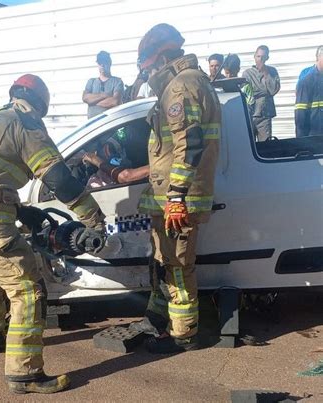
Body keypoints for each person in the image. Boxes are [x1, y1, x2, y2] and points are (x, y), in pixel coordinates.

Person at [0, 74, 105, 394]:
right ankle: (25, 373)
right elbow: (59, 178)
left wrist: (21, 211)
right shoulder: (27, 123)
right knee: (28, 290)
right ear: (41, 102)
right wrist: (93, 218)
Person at [133, 23, 221, 354]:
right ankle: (158, 321)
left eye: (149, 66)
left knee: (179, 268)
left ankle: (183, 335)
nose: (148, 73)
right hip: (173, 196)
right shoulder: (186, 83)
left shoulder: (181, 87)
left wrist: (175, 198)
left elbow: (190, 142)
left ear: (164, 57)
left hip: (179, 200)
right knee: (165, 261)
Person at [242, 45, 281, 141]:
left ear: (267, 58)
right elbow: (247, 93)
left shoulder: (272, 71)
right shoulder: (247, 73)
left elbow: (273, 90)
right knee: (249, 143)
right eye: (258, 56)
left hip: (265, 114)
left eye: (263, 57)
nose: (260, 59)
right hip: (250, 114)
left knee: (265, 145)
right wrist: (264, 92)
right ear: (254, 57)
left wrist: (266, 73)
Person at [82, 51, 124, 118]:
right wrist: (105, 95)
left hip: (109, 124)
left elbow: (114, 101)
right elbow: (85, 98)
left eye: (104, 62)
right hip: (92, 125)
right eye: (99, 62)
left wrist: (93, 103)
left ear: (110, 63)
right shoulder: (91, 81)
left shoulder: (117, 81)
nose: (102, 65)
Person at [295, 45, 323, 137]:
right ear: (318, 57)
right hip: (314, 135)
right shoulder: (306, 81)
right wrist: (301, 140)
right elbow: (300, 114)